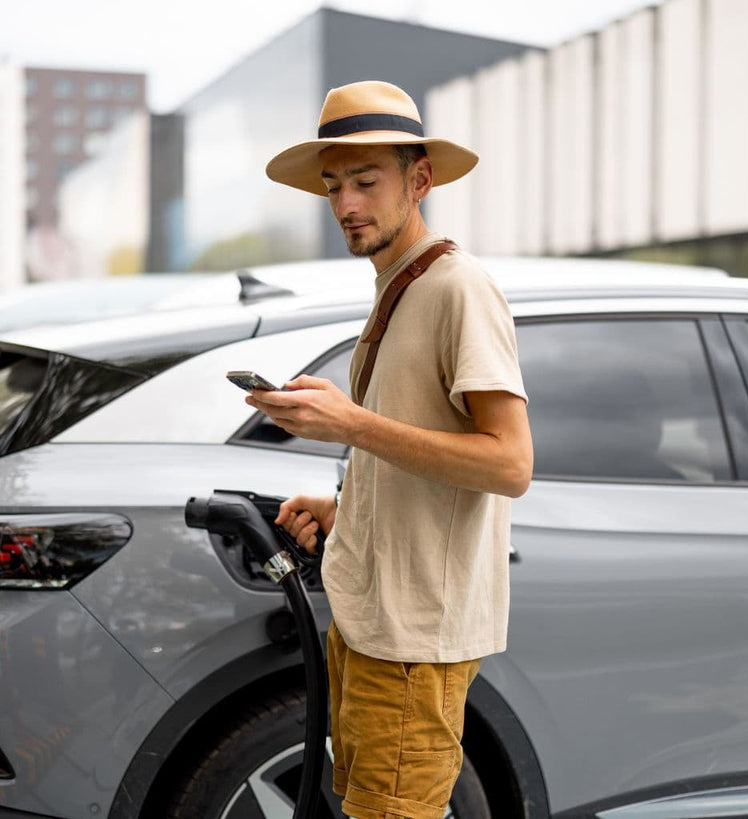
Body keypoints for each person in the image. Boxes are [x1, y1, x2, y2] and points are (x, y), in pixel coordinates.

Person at [251, 80, 532, 819]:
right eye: (334, 185)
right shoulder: (398, 286)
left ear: (421, 179)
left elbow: (509, 462)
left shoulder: (457, 288)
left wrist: (351, 424)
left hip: (414, 645)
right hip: (374, 626)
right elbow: (425, 452)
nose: (346, 203)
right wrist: (348, 509)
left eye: (367, 181)